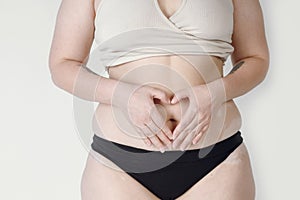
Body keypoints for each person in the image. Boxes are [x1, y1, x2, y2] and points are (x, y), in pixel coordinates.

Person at [49, 0, 269, 199]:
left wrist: (217, 92)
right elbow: (63, 64)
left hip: (218, 164)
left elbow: (255, 59)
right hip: (118, 167)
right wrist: (122, 95)